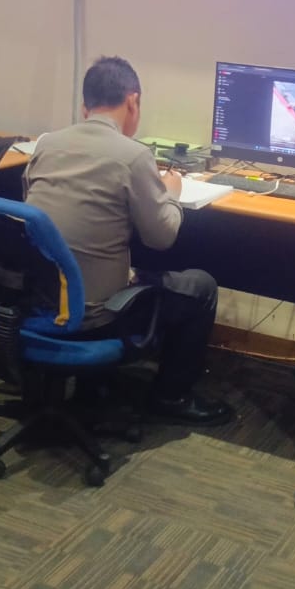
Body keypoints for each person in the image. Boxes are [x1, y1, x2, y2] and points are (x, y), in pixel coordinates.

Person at [22, 56, 233, 425]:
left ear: (84, 107)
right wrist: (171, 192)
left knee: (121, 262)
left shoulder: (46, 145)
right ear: (132, 102)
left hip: (39, 301)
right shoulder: (133, 156)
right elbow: (161, 237)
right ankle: (171, 397)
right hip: (95, 312)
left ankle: (93, 385)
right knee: (201, 286)